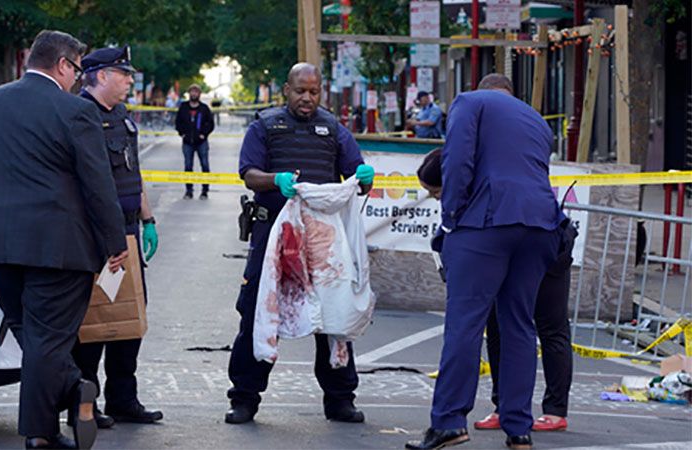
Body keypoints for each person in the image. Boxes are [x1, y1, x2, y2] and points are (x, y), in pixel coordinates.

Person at [0, 30, 128, 450]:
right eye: (77, 69)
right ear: (65, 65)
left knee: (34, 338)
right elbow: (97, 183)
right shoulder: (75, 112)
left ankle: (67, 398)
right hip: (60, 250)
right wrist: (115, 241)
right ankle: (46, 426)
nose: (77, 79)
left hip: (1, 247)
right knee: (47, 343)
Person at [406, 74, 563, 450]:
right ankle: (518, 428)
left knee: (466, 322)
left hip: (488, 221)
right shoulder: (537, 119)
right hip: (542, 223)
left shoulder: (469, 102)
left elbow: (457, 162)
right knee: (519, 325)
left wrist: (451, 215)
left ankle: (448, 421)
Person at [225, 63, 375, 425]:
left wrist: (365, 179)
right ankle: (244, 398)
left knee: (333, 316)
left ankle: (340, 398)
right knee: (258, 312)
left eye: (313, 91)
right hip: (273, 237)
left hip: (321, 242)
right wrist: (274, 180)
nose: (307, 98)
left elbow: (357, 173)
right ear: (286, 91)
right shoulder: (265, 127)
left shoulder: (334, 130)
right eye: (300, 91)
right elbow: (248, 174)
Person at [416, 149, 577, 436]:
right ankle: (507, 408)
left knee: (547, 327)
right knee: (500, 325)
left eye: (436, 191)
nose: (436, 198)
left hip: (544, 246)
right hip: (517, 244)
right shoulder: (481, 183)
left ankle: (554, 410)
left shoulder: (493, 180)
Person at [70, 45, 163, 429]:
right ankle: (86, 405)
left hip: (128, 229)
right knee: (94, 322)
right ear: (102, 75)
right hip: (94, 235)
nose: (129, 80)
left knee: (131, 317)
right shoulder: (78, 115)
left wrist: (148, 218)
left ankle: (124, 399)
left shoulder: (124, 117)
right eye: (123, 74)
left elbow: (133, 171)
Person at [175, 84, 215, 199]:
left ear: (199, 94)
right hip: (187, 142)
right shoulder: (183, 107)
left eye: (196, 92)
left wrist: (204, 134)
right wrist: (182, 133)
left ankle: (205, 191)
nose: (194, 94)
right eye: (192, 92)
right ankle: (189, 191)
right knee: (188, 166)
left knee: (205, 166)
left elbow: (210, 123)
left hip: (201, 142)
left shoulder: (204, 109)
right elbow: (178, 122)